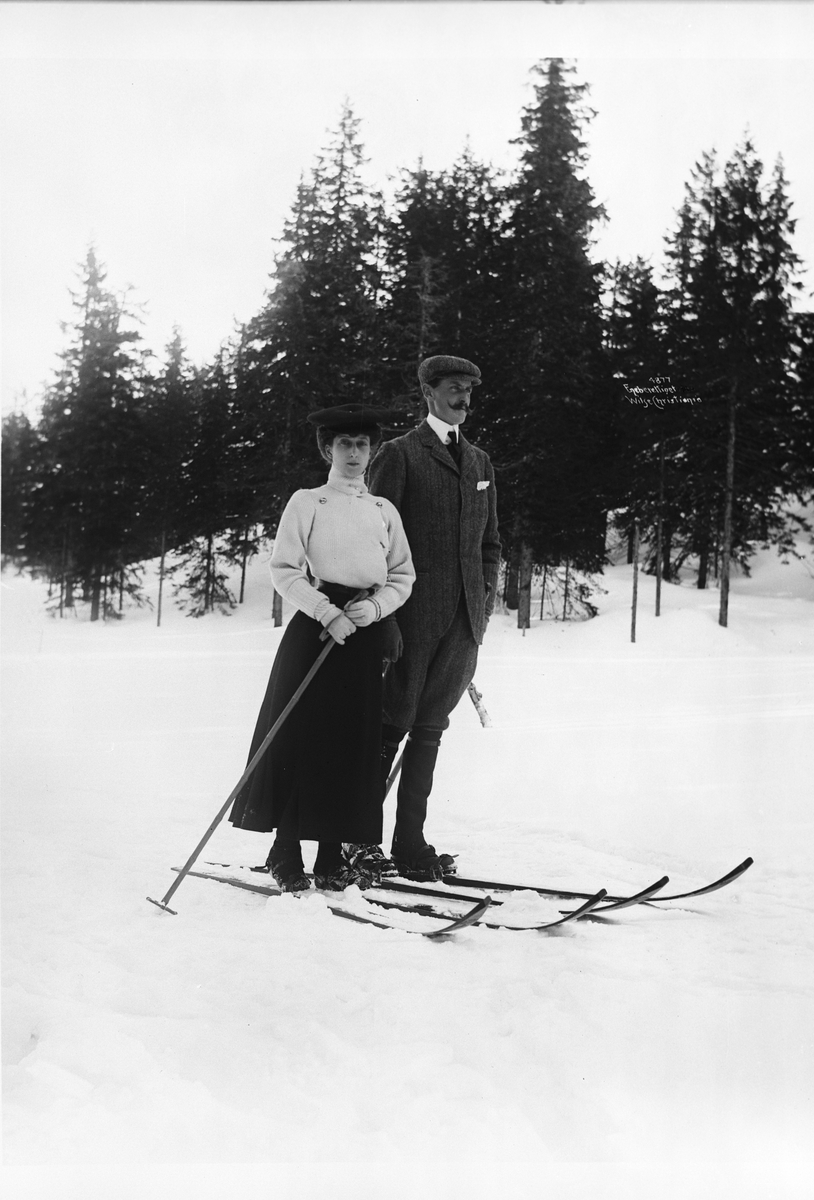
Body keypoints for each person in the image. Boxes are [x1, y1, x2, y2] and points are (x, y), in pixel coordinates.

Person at [229, 404, 414, 892]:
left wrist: (373, 611)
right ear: (327, 449)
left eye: (362, 445)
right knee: (301, 738)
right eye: (344, 445)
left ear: (372, 452)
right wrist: (327, 611)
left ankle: (331, 855)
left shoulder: (383, 511)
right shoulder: (307, 502)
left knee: (350, 743)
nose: (354, 454)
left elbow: (402, 575)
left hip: (362, 630)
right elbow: (284, 569)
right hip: (316, 629)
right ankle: (286, 851)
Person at [358, 355, 501, 882]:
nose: (463, 398)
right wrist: (384, 617)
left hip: (465, 623)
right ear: (428, 392)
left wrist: (482, 602)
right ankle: (358, 839)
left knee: (430, 730)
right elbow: (375, 542)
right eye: (454, 389)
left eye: (469, 389)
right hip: (409, 619)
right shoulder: (399, 455)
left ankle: (409, 844)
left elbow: (491, 543)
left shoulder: (481, 463)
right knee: (389, 726)